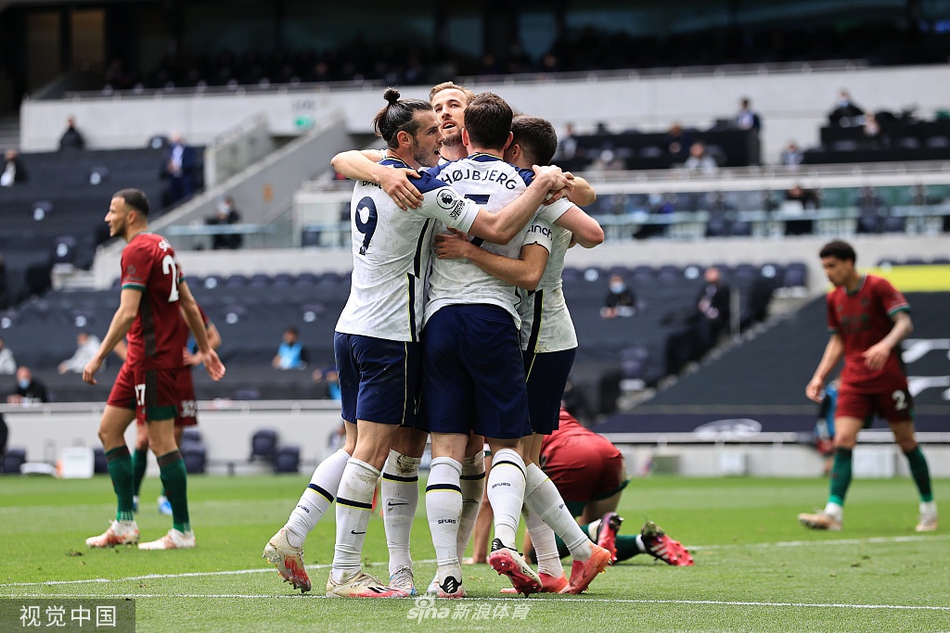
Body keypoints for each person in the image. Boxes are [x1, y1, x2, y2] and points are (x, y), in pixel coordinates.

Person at [261, 88, 570, 598]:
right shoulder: (424, 184)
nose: (442, 133)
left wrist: (380, 169)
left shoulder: (372, 173)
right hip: (393, 334)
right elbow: (494, 225)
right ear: (405, 140)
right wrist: (542, 186)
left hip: (351, 326)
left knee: (360, 446)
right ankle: (347, 570)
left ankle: (297, 533)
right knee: (378, 454)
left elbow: (347, 158)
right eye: (431, 130)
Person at [431, 112, 610, 595]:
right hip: (539, 333)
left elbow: (588, 236)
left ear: (512, 148)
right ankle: (557, 564)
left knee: (515, 456)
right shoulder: (531, 188)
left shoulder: (532, 193)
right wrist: (570, 186)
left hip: (536, 335)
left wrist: (470, 252)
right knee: (522, 463)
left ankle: (570, 552)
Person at [82, 188, 225, 551]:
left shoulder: (136, 250)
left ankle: (181, 530)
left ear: (131, 216)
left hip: (153, 359)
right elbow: (189, 304)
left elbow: (128, 311)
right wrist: (206, 349)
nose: (107, 218)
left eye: (112, 211)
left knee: (160, 441)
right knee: (109, 431)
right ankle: (125, 522)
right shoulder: (163, 246)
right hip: (138, 361)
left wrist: (98, 356)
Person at [798, 240, 937, 533]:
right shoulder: (834, 298)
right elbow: (838, 340)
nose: (827, 272)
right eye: (823, 266)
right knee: (842, 441)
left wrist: (885, 345)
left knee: (907, 443)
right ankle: (833, 512)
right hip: (854, 380)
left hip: (888, 378)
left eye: (831, 265)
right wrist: (819, 376)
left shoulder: (878, 287)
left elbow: (904, 323)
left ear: (849, 263)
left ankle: (928, 509)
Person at [468, 408, 694, 568]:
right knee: (590, 545)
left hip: (570, 456)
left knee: (534, 552)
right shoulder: (538, 392)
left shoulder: (496, 410)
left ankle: (598, 528)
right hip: (608, 451)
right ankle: (645, 542)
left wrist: (478, 556)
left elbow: (489, 498)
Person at [130, 302, 221, 515]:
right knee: (143, 438)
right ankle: (132, 496)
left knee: (175, 436)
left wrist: (197, 357)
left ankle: (166, 497)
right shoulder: (147, 301)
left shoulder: (188, 306)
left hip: (180, 376)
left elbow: (214, 337)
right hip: (151, 372)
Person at [694, 266, 730, 350]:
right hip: (704, 317)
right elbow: (698, 304)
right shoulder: (705, 289)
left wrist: (715, 312)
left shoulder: (723, 289)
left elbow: (724, 305)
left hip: (720, 318)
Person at [160, 133, 196, 205]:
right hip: (173, 177)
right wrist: (169, 167)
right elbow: (165, 162)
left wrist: (179, 167)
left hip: (185, 176)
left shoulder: (188, 150)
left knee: (186, 196)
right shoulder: (169, 150)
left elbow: (191, 162)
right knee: (175, 197)